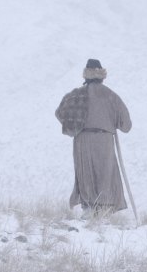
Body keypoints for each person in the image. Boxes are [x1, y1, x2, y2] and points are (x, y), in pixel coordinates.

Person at [55, 59, 132, 217]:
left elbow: (59, 113)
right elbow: (126, 125)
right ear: (102, 75)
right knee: (105, 174)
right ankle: (104, 210)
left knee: (86, 173)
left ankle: (89, 209)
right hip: (104, 140)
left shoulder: (75, 95)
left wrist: (74, 121)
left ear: (86, 75)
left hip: (82, 139)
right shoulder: (111, 96)